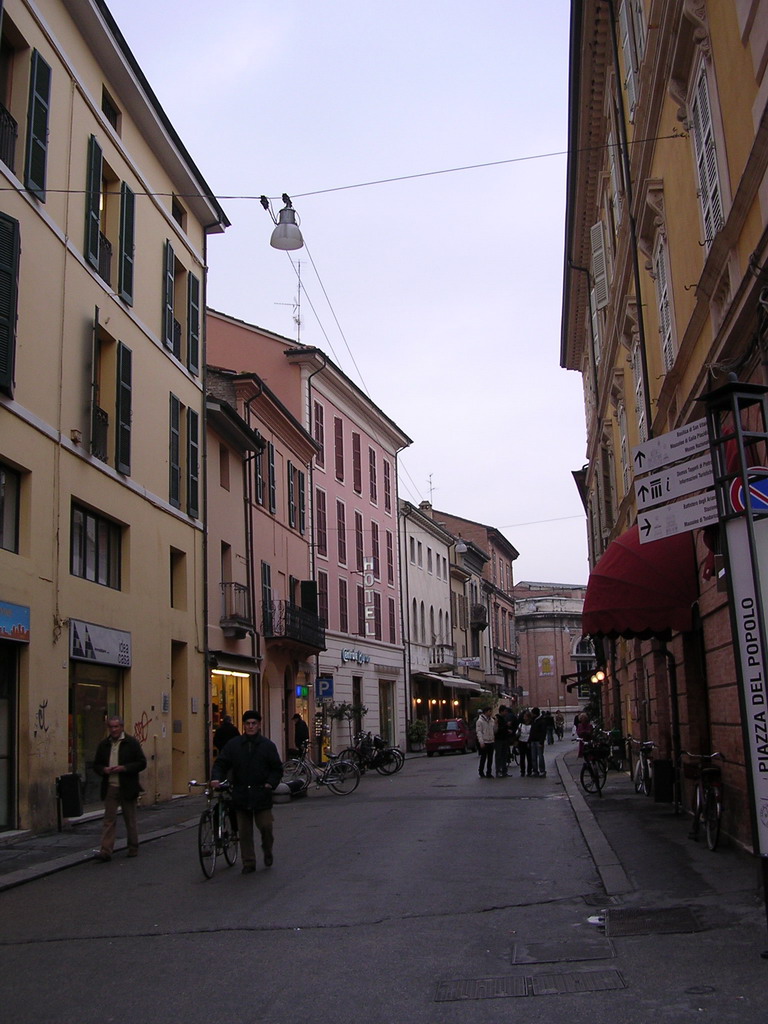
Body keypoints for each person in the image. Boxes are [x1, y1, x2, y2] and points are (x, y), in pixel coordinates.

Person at [211, 710, 283, 874]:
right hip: (241, 793)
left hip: (261, 793)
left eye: (253, 723)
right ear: (243, 726)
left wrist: (270, 784)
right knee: (244, 831)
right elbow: (221, 763)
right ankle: (248, 862)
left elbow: (276, 769)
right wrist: (216, 778)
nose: (250, 726)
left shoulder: (267, 746)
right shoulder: (234, 745)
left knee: (266, 827)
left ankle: (267, 850)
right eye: (247, 724)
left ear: (259, 725)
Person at [92, 715, 147, 861]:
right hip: (111, 786)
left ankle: (133, 847)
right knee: (109, 819)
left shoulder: (131, 743)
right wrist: (103, 770)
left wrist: (124, 768)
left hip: (127, 786)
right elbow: (96, 764)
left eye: (116, 726)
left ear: (121, 727)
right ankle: (105, 850)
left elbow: (142, 763)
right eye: (111, 727)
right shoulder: (104, 744)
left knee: (130, 819)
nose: (114, 729)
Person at [475, 706, 496, 778]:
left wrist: (496, 724)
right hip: (485, 741)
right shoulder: (480, 721)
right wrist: (481, 741)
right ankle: (481, 771)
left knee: (490, 758)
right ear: (486, 712)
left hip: (491, 741)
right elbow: (479, 732)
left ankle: (489, 772)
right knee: (483, 757)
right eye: (490, 711)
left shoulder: (492, 720)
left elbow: (494, 730)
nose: (491, 713)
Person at [529, 707, 548, 777]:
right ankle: (535, 770)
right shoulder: (534, 720)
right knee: (534, 757)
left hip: (538, 741)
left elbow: (543, 732)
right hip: (533, 740)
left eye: (532, 713)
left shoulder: (541, 721)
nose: (531, 714)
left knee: (540, 756)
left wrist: (541, 742)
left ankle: (542, 771)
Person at [494, 706, 510, 777]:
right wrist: (506, 726)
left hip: (504, 738)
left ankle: (504, 770)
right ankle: (499, 770)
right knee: (499, 755)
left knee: (504, 755)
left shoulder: (504, 718)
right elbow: (497, 729)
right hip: (499, 739)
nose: (506, 713)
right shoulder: (497, 718)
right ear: (502, 711)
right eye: (505, 711)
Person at [517, 711, 533, 777]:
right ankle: (522, 771)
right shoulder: (521, 724)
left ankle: (529, 771)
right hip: (521, 741)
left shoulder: (532, 724)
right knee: (522, 757)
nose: (524, 718)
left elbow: (532, 734)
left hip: (528, 741)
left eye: (525, 717)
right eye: (524, 717)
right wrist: (518, 732)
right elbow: (517, 733)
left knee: (529, 757)